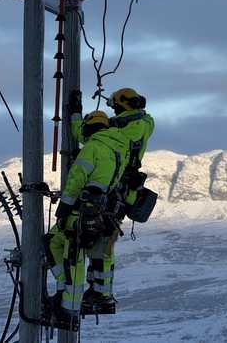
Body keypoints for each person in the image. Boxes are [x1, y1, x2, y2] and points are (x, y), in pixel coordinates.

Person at [67, 87, 155, 311]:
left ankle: (101, 294)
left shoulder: (115, 129)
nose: (113, 110)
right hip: (128, 192)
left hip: (111, 189)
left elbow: (83, 133)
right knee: (105, 238)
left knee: (100, 240)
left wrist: (76, 112)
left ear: (122, 105)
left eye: (115, 106)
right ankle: (99, 291)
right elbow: (146, 117)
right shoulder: (146, 124)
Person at [42, 110, 130, 327]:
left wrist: (62, 212)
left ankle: (68, 310)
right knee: (58, 243)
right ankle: (75, 296)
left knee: (73, 258)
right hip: (105, 214)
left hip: (82, 214)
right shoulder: (118, 148)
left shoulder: (93, 148)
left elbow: (75, 182)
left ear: (89, 129)